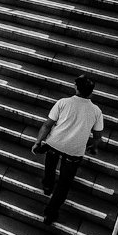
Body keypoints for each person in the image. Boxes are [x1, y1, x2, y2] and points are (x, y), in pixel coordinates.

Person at [31, 75, 104, 225]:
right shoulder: (96, 111)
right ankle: (50, 214)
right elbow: (97, 135)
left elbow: (47, 125)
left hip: (54, 143)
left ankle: (47, 185)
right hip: (75, 150)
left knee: (50, 165)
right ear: (91, 92)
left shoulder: (63, 103)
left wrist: (38, 142)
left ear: (76, 87)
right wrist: (94, 147)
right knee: (64, 184)